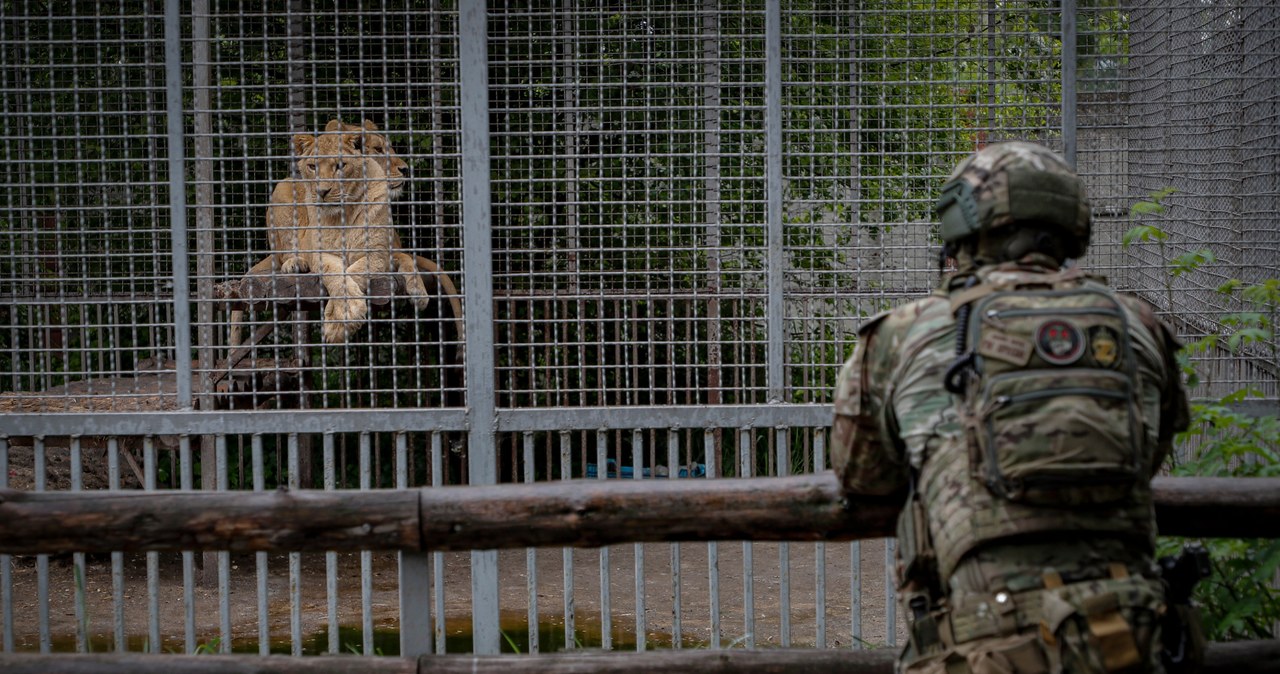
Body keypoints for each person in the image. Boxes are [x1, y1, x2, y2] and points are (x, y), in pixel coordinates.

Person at [831, 142, 1190, 674]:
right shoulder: (1136, 325)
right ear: (1073, 221)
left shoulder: (907, 332)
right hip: (1127, 639)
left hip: (984, 645)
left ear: (961, 220)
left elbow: (862, 476)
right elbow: (1151, 456)